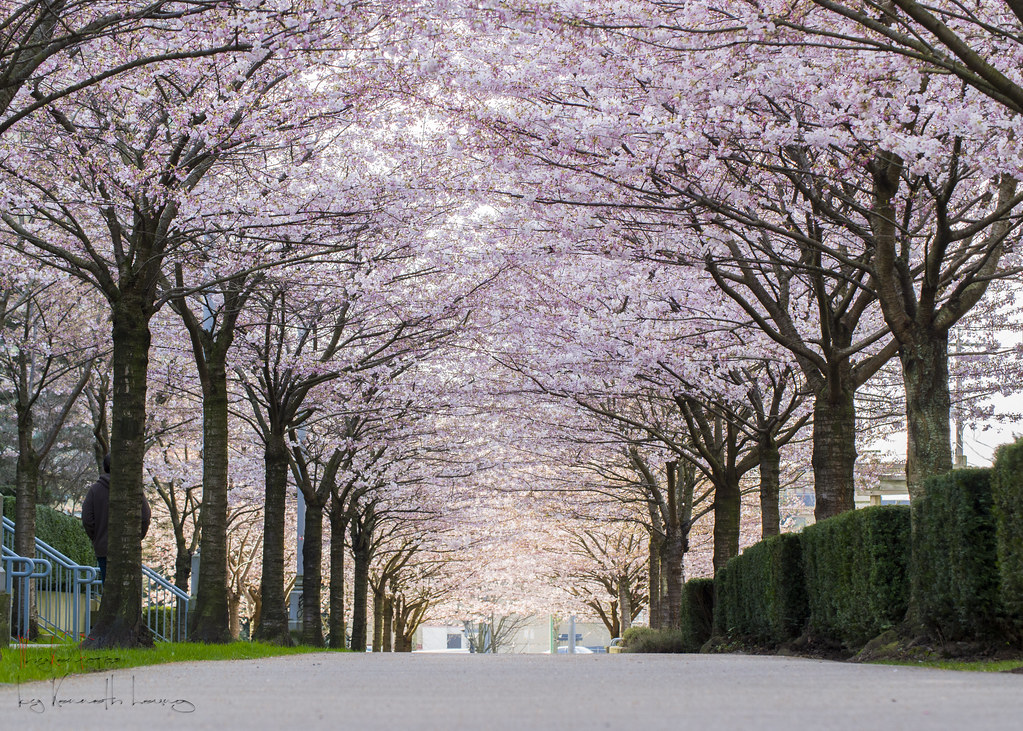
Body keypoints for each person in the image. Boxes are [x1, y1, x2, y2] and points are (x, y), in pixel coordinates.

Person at [81, 454, 151, 582]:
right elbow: (145, 517)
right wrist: (136, 537)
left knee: (108, 585)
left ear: (105, 468)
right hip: (129, 547)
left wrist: (97, 537)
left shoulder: (95, 490)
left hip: (104, 548)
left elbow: (87, 519)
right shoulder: (133, 489)